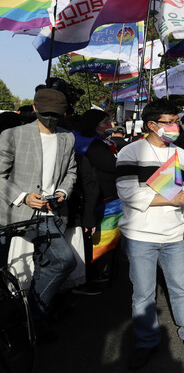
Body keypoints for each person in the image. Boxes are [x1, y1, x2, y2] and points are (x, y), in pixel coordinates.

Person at [116, 98, 184, 369]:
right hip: (140, 235)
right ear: (152, 125)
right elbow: (128, 193)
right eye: (169, 122)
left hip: (175, 235)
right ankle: (146, 341)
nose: (175, 126)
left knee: (180, 285)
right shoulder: (130, 153)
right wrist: (172, 199)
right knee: (143, 293)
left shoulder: (182, 155)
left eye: (176, 121)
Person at [0, 88, 77, 336]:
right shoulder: (12, 135)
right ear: (34, 108)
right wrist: (23, 196)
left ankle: (32, 321)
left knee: (55, 264)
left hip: (52, 214)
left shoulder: (68, 138)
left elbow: (71, 172)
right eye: (46, 114)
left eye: (56, 114)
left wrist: (63, 192)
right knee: (10, 274)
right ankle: (28, 319)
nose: (51, 119)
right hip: (16, 215)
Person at [72, 109, 119, 294]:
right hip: (101, 195)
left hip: (83, 194)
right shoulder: (95, 145)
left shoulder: (75, 138)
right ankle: (92, 275)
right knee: (97, 237)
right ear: (94, 124)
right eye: (104, 121)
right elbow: (111, 166)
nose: (108, 124)